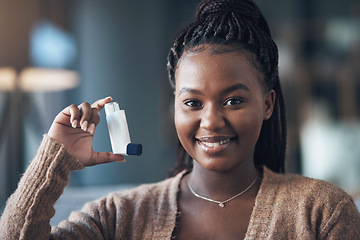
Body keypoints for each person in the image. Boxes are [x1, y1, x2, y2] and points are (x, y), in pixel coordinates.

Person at [1, 0, 360, 239]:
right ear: (173, 106)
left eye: (233, 100)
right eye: (192, 103)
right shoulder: (120, 215)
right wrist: (53, 162)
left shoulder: (320, 211)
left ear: (267, 104)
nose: (211, 120)